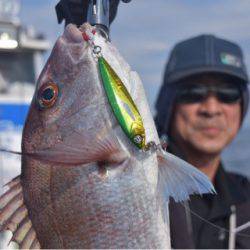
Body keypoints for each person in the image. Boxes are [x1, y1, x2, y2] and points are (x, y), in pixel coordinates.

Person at [155, 34, 250, 249]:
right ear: (168, 104)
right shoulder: (133, 181)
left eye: (228, 93)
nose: (211, 109)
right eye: (193, 93)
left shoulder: (246, 197)